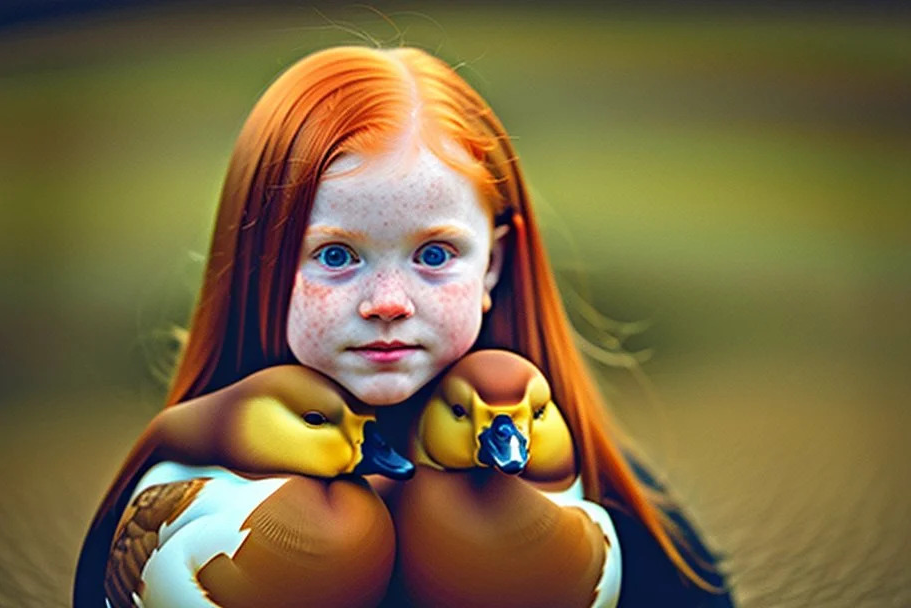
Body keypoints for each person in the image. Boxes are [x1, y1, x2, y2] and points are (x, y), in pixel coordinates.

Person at [74, 45, 733, 607]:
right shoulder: (168, 494)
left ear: (494, 265)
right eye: (335, 255)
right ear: (257, 266)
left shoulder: (612, 501)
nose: (387, 302)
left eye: (435, 254)